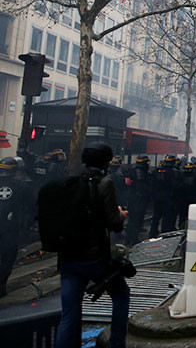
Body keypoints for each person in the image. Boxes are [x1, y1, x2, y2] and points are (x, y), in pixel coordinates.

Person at [55, 143, 129, 348]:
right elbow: (114, 224)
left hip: (68, 257)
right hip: (94, 257)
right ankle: (116, 344)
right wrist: (121, 215)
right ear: (106, 162)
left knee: (69, 314)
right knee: (121, 294)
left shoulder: (71, 182)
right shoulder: (105, 183)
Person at [0, 157, 33, 297]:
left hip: (8, 226)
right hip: (9, 228)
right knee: (7, 257)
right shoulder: (22, 186)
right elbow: (30, 207)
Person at [125, 155, 152, 245]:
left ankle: (128, 239)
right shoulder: (138, 171)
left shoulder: (132, 169)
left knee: (132, 219)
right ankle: (133, 240)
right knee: (136, 219)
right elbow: (141, 185)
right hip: (138, 198)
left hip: (132, 198)